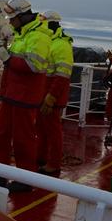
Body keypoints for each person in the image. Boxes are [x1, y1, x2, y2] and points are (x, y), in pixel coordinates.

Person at [0, 0, 51, 192]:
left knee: (23, 139)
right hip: (12, 94)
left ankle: (25, 180)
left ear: (23, 16)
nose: (9, 22)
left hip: (25, 97)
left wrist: (7, 59)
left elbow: (34, 66)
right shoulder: (23, 33)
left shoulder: (39, 37)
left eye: (12, 18)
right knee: (0, 134)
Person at [35, 11, 73, 176]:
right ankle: (41, 158)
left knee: (53, 130)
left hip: (52, 96)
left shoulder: (61, 45)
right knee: (41, 128)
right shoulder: (50, 42)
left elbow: (63, 74)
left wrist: (51, 98)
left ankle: (54, 164)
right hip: (43, 93)